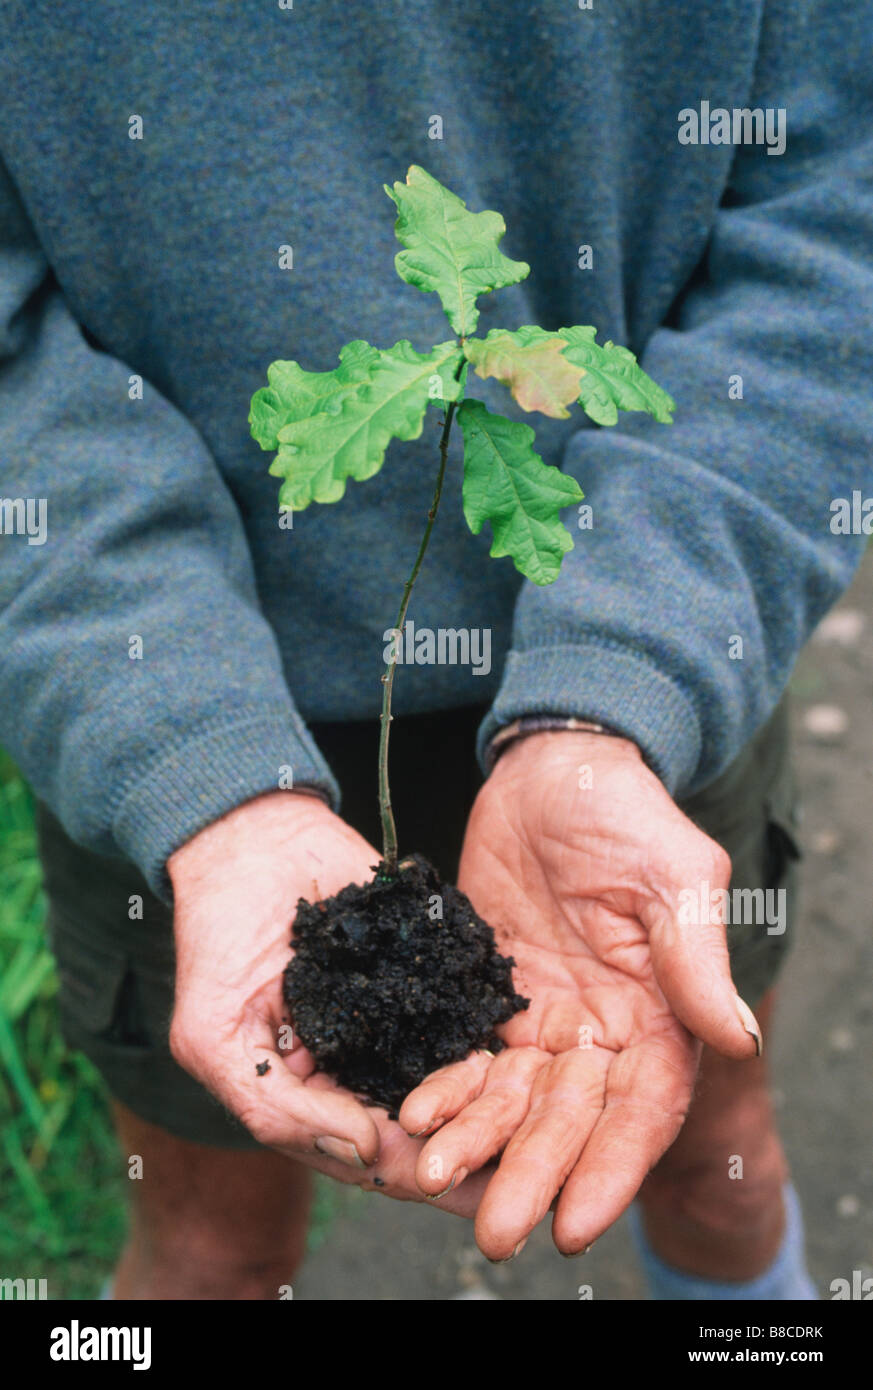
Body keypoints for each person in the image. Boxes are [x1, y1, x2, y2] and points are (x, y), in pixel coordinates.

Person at [0, 1, 870, 1300]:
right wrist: (189, 760)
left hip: (654, 704)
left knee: (706, 1153)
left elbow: (828, 219)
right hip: (162, 737)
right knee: (209, 1247)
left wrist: (627, 675)